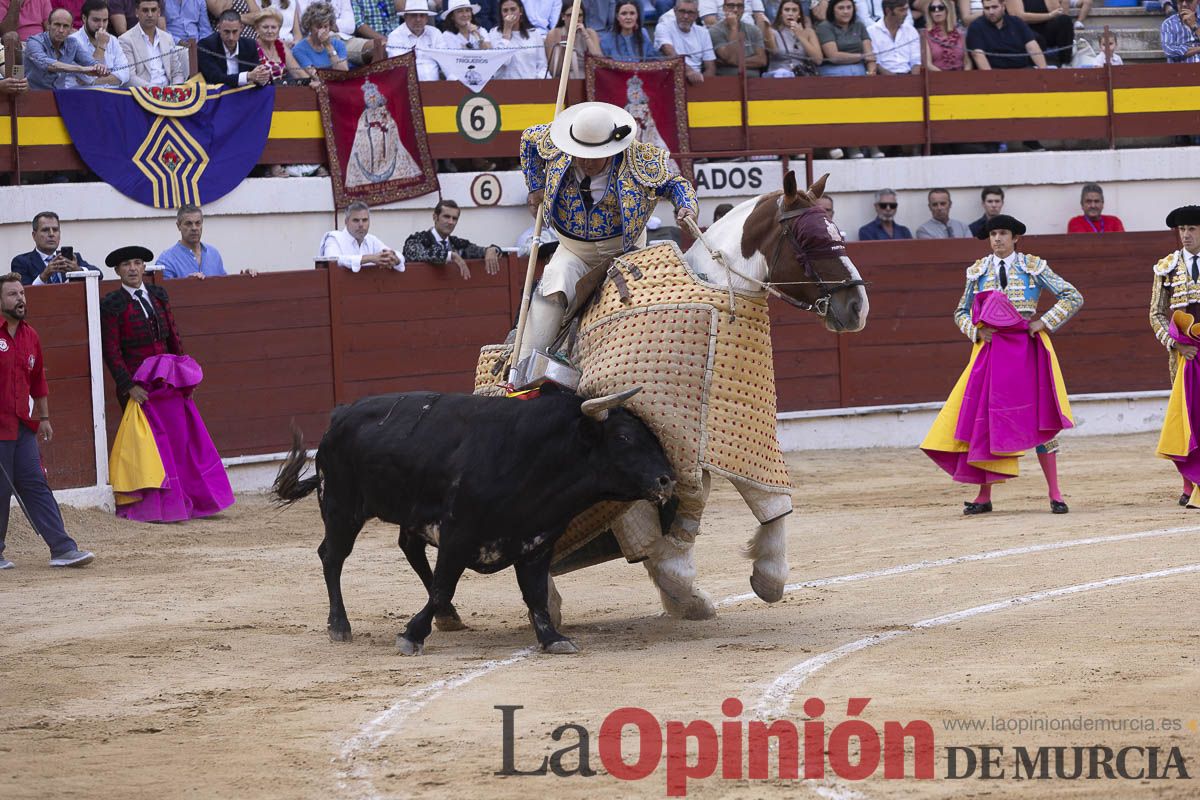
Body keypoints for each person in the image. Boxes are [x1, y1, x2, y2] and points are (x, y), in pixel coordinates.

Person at [922, 214, 1082, 515]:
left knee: (1039, 419)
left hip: (1026, 350)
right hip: (993, 351)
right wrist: (977, 332)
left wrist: (1043, 323)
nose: (997, 239)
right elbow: (960, 312)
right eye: (993, 234)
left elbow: (1072, 297)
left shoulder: (1033, 266)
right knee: (987, 420)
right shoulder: (978, 271)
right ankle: (984, 496)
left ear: (1015, 237)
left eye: (1003, 234)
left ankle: (1055, 493)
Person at [517, 102, 698, 366]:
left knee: (646, 301)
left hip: (625, 251)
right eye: (578, 154)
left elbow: (675, 184)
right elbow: (528, 140)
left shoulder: (639, 158)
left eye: (592, 156)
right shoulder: (558, 144)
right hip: (573, 249)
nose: (583, 161)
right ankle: (527, 366)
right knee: (554, 284)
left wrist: (686, 206)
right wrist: (534, 187)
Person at [0, 274, 95, 571]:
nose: (20, 299)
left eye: (22, 293)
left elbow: (38, 379)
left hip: (23, 426)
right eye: (13, 294)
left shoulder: (31, 336)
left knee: (36, 485)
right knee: (0, 490)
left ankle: (63, 548)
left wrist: (44, 418)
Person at [1151, 205, 1200, 506]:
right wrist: (1175, 344)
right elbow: (1155, 313)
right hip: (1184, 356)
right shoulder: (1166, 267)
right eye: (1182, 229)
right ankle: (1188, 484)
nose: (1186, 235)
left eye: (1192, 229)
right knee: (1185, 420)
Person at [100, 246, 185, 408]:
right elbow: (111, 350)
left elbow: (174, 337)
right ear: (117, 271)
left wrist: (182, 375)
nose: (132, 268)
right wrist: (129, 386)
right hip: (138, 382)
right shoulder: (112, 304)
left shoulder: (158, 294)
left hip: (167, 377)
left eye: (137, 263)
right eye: (126, 264)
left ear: (143, 268)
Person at [816, 0, 875, 157]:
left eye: (849, 7)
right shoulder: (824, 27)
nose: (846, 11)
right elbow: (834, 56)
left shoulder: (859, 26)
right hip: (834, 75)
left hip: (860, 73)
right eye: (841, 8)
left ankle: (866, 145)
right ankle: (841, 145)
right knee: (840, 108)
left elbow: (870, 55)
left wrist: (871, 71)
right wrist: (860, 56)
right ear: (832, 10)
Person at [403, 200, 502, 280]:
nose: (451, 222)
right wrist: (450, 256)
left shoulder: (457, 244)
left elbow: (478, 250)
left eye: (454, 218)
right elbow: (419, 253)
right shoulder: (417, 240)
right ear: (435, 217)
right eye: (446, 217)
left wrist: (490, 250)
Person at [25, 8, 112, 90]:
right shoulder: (34, 41)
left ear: (71, 28)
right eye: (57, 24)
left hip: (59, 95)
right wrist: (81, 69)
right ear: (48, 25)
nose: (61, 30)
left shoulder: (72, 43)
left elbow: (90, 62)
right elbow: (47, 64)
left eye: (65, 26)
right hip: (34, 94)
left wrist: (99, 67)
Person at [11, 212, 101, 286]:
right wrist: (44, 275)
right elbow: (24, 293)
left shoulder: (72, 258)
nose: (51, 234)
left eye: (55, 230)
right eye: (45, 230)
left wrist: (78, 270)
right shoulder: (21, 262)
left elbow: (99, 275)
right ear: (34, 236)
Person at [119, 0, 190, 86]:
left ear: (159, 12)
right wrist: (156, 90)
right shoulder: (126, 40)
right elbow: (130, 78)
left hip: (170, 93)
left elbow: (176, 72)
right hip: (143, 94)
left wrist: (176, 89)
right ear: (137, 12)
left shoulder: (167, 37)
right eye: (145, 10)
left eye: (153, 10)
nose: (150, 15)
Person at [318, 202, 404, 273]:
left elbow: (398, 255)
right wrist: (370, 258)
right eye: (356, 220)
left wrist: (394, 258)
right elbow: (333, 260)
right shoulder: (334, 238)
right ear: (346, 222)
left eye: (365, 220)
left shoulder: (372, 240)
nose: (361, 225)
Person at [65, 0, 132, 87]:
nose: (101, 25)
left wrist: (96, 82)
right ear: (84, 18)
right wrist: (101, 46)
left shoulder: (113, 40)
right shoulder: (72, 42)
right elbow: (89, 75)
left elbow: (125, 74)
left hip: (111, 94)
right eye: (96, 20)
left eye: (105, 20)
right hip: (83, 96)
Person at [199, 10, 273, 86]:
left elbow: (257, 74)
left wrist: (262, 77)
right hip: (216, 96)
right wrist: (247, 76)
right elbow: (215, 78)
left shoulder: (250, 45)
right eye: (226, 32)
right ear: (219, 28)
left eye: (234, 32)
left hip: (243, 95)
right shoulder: (206, 46)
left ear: (241, 28)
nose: (231, 37)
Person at [966, 0, 1047, 69]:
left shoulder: (1017, 22)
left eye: (994, 7)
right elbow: (978, 55)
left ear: (1003, 6)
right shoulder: (976, 27)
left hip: (1022, 69)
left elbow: (1033, 47)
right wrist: (992, 80)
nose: (991, 12)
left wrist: (1044, 71)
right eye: (987, 8)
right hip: (994, 72)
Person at [654, 0, 716, 84]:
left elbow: (710, 68)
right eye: (682, 11)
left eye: (690, 12)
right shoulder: (663, 27)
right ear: (675, 11)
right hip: (670, 78)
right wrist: (688, 71)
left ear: (696, 15)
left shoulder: (703, 33)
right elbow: (669, 52)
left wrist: (702, 85)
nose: (686, 16)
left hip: (698, 80)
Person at [386, 0, 443, 81]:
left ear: (427, 18)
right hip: (407, 87)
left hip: (436, 88)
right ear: (405, 17)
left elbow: (445, 61)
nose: (418, 19)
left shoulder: (435, 33)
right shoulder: (395, 36)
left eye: (422, 15)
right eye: (414, 15)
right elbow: (398, 67)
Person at [764, 0, 823, 77]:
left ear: (799, 14)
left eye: (794, 10)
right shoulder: (772, 31)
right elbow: (773, 52)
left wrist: (800, 36)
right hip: (778, 74)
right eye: (786, 10)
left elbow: (818, 60)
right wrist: (766, 29)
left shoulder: (809, 32)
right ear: (781, 14)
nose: (790, 13)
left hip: (802, 74)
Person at [1004, 0, 1072, 66]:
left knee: (1064, 20)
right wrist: (1049, 15)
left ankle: (1065, 62)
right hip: (1023, 30)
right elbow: (1019, 17)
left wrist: (1051, 14)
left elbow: (1057, 11)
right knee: (1036, 39)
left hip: (1045, 28)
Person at [489, 0, 547, 78]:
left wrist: (537, 81)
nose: (509, 14)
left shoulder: (534, 34)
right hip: (504, 85)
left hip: (531, 85)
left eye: (513, 9)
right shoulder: (494, 33)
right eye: (505, 11)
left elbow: (542, 65)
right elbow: (503, 62)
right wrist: (507, 31)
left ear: (521, 11)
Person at [710, 0, 767, 76]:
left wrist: (734, 62)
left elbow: (762, 60)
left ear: (743, 9)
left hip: (754, 81)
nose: (735, 10)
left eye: (740, 6)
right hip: (726, 80)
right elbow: (729, 57)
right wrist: (734, 28)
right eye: (731, 6)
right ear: (724, 8)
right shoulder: (715, 30)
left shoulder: (754, 30)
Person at [293, 1, 350, 77]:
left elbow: (343, 73)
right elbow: (314, 75)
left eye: (326, 26)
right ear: (310, 26)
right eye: (319, 27)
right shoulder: (299, 49)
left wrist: (329, 47)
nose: (323, 31)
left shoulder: (339, 45)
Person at [545, 2, 600, 77]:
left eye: (579, 15)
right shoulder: (554, 34)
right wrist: (564, 42)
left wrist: (586, 36)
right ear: (563, 16)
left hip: (587, 78)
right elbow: (552, 70)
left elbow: (599, 60)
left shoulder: (590, 33)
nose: (575, 19)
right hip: (563, 78)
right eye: (570, 15)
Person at [868, 0, 920, 75]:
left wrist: (913, 81)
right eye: (901, 10)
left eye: (906, 9)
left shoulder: (911, 31)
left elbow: (916, 61)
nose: (906, 14)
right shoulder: (872, 32)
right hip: (883, 79)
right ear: (888, 11)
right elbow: (876, 63)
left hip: (909, 76)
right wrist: (895, 80)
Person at [254, 7, 304, 82]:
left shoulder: (281, 45)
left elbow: (297, 73)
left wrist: (311, 82)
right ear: (257, 29)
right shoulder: (252, 46)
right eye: (265, 27)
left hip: (282, 90)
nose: (270, 31)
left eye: (273, 27)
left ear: (279, 29)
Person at [924, 0, 969, 71]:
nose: (936, 10)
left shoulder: (960, 33)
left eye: (940, 7)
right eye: (932, 9)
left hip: (962, 78)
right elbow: (928, 64)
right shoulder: (926, 35)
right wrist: (946, 78)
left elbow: (967, 62)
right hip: (938, 78)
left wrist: (964, 77)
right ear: (929, 13)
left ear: (948, 10)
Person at [1161, 0, 1200, 64]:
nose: (1184, 4)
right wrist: (1198, 49)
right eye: (1180, 1)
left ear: (1198, 1)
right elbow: (1170, 51)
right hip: (1180, 71)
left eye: (1189, 1)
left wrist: (1195, 26)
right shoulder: (1168, 24)